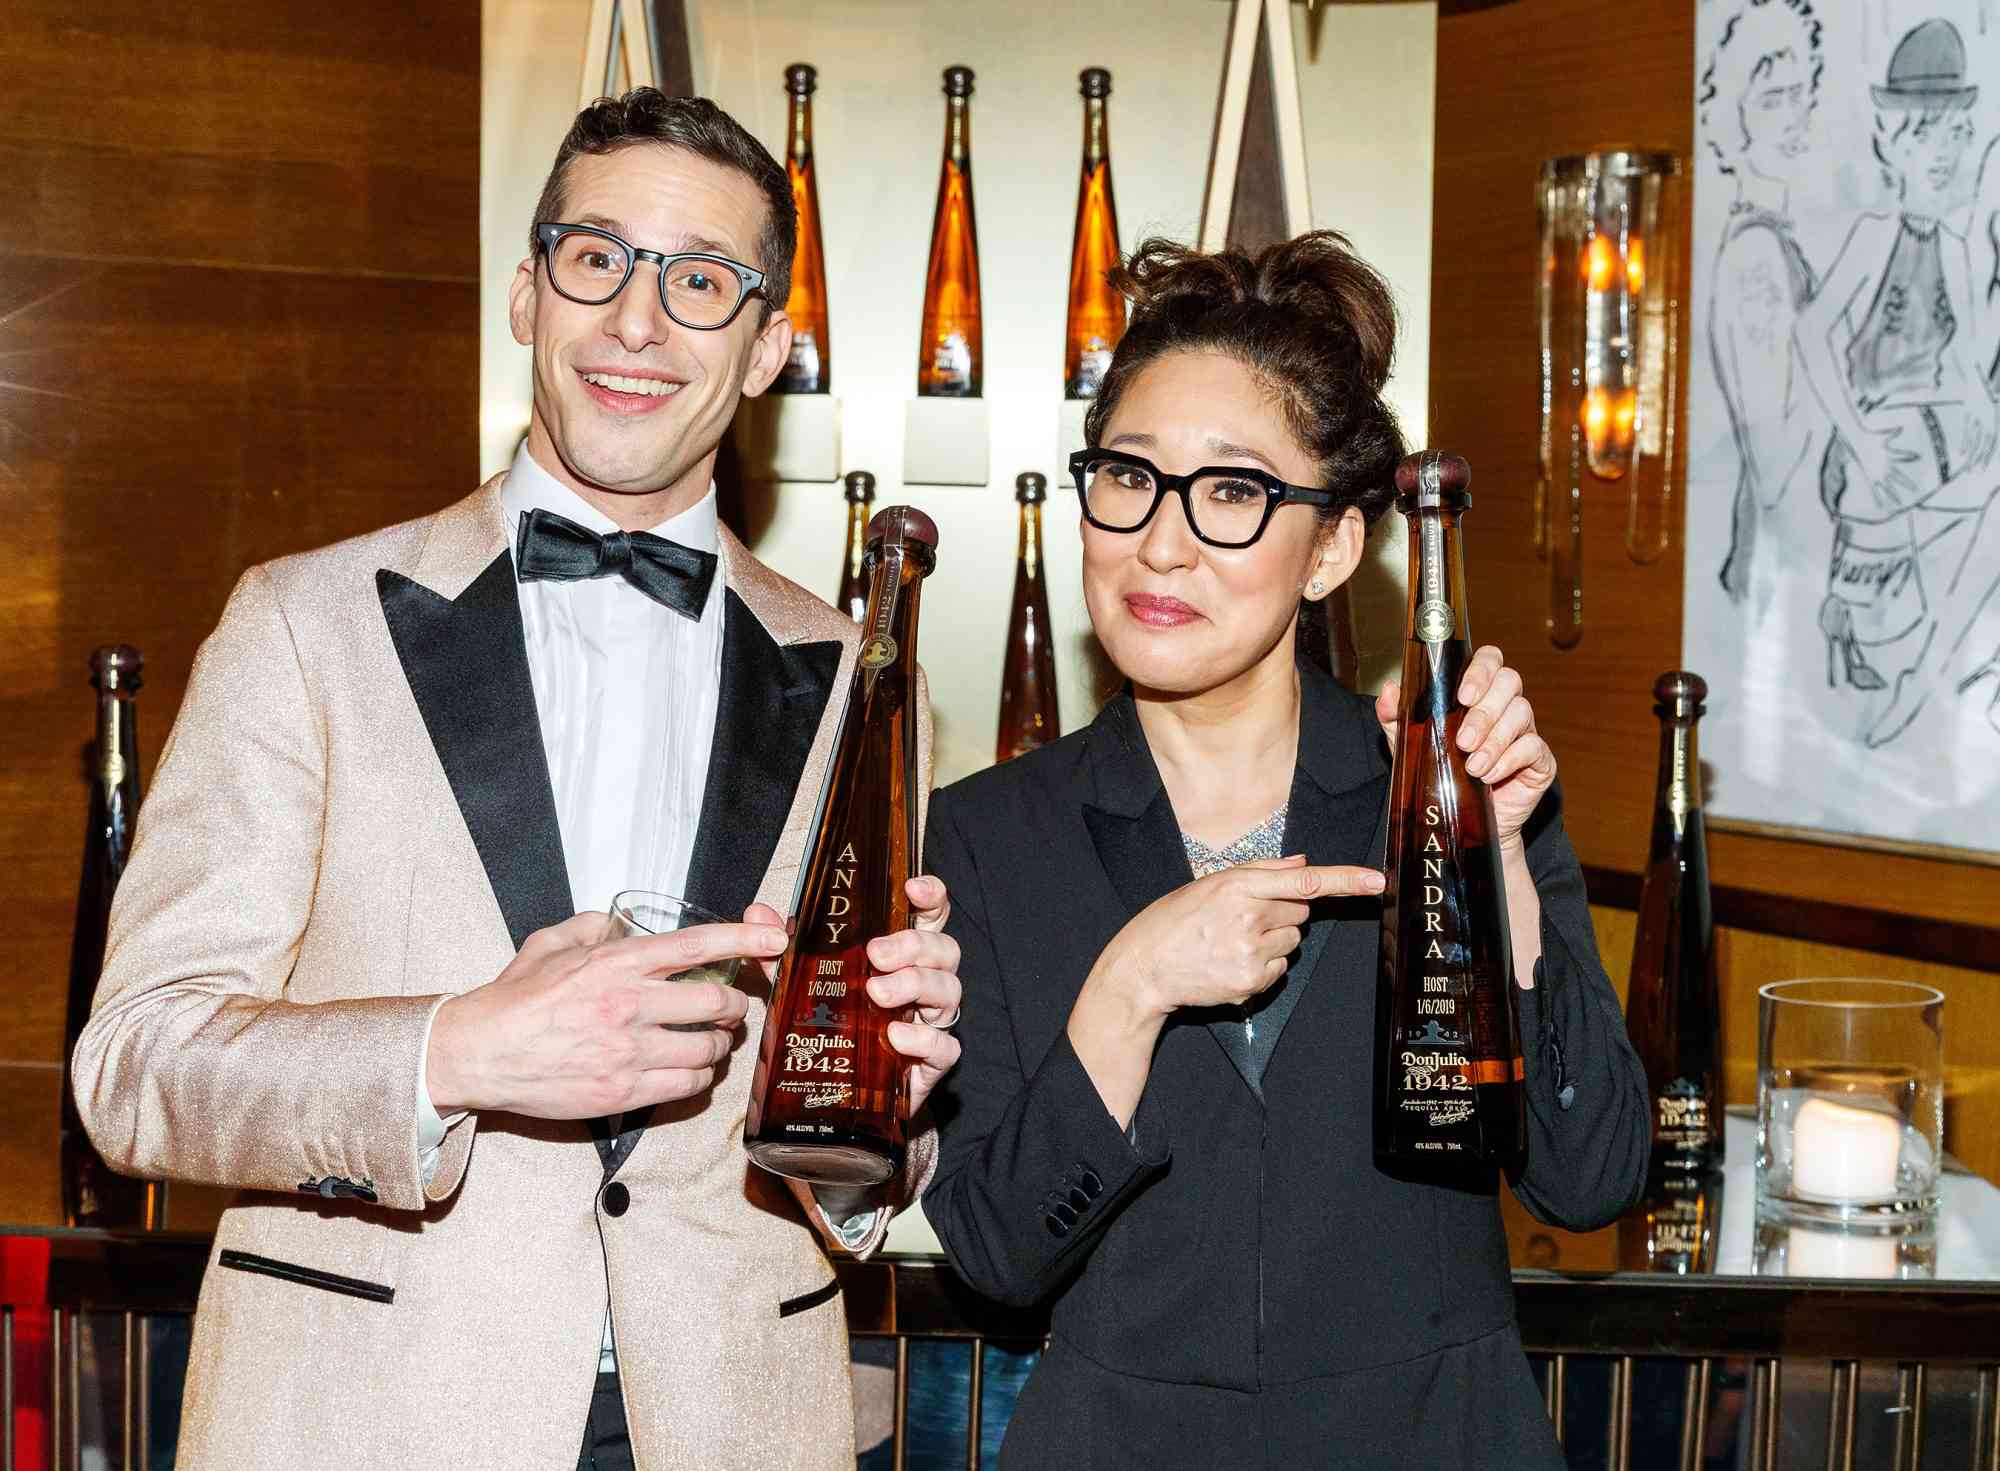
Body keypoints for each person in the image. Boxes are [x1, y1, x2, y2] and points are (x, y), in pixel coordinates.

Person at [71, 89, 964, 1471]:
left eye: (701, 280)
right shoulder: (303, 623)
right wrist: (457, 1049)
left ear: (770, 346)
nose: (636, 319)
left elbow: (854, 1156)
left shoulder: (864, 673)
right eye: (596, 257)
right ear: (526, 292)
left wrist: (883, 1114)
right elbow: (134, 1064)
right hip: (369, 1419)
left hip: (737, 1419)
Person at [920, 233, 1649, 1468]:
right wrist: (1130, 985)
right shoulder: (986, 831)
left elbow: (1589, 1177)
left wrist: (1501, 861)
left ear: (1331, 548)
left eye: (1232, 492)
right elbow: (996, 1254)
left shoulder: (1444, 786)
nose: (1160, 543)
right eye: (1128, 477)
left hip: (1436, 1438)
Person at [1793, 18, 1997, 736]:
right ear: (1893, 141)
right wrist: (1860, 436)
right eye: (1925, 134)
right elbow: (1810, 332)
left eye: (1953, 134)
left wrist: (1982, 418)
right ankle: (1855, 618)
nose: (1942, 151)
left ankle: (1893, 632)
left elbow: (1968, 363)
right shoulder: (1875, 234)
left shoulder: (1962, 248)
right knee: (1897, 474)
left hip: (1922, 435)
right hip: (1870, 440)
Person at [1699, 0, 1825, 608]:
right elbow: (1773, 455)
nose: (1796, 116)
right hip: (1778, 572)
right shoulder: (1755, 257)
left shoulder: (1774, 241)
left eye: (1802, 93)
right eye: (1773, 98)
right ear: (1735, 118)